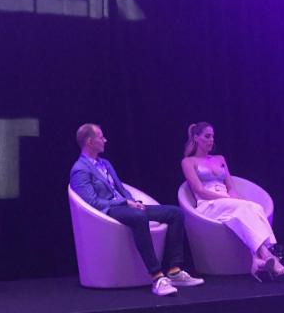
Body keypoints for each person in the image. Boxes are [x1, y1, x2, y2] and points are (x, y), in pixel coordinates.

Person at [70, 123, 204, 296]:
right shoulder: (80, 169)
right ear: (89, 141)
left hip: (126, 206)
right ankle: (157, 277)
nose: (105, 140)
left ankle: (174, 271)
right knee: (139, 217)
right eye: (101, 137)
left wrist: (132, 201)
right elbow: (92, 202)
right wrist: (125, 203)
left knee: (175, 213)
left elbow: (120, 188)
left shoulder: (105, 163)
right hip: (109, 211)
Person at [181, 122, 284, 282]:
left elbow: (231, 187)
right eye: (207, 136)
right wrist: (227, 199)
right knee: (243, 208)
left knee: (255, 207)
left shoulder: (220, 159)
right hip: (208, 204)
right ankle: (268, 255)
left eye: (212, 136)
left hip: (227, 202)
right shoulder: (188, 162)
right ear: (196, 138)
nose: (211, 140)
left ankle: (258, 258)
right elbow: (199, 190)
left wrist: (238, 199)